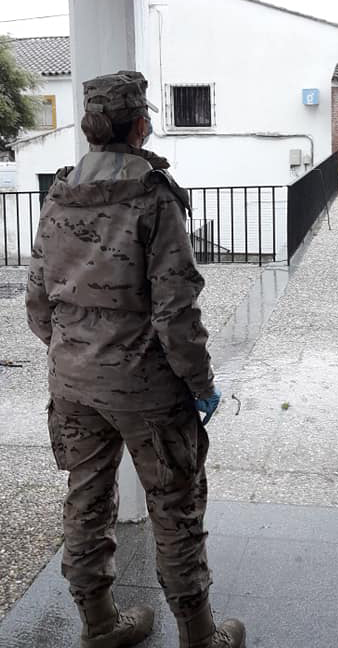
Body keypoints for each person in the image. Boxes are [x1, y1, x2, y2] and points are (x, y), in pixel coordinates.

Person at [25, 70, 245, 648]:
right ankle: (199, 636)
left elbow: (37, 298)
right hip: (147, 388)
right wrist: (200, 383)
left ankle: (99, 624)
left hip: (73, 381)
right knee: (174, 507)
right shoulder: (153, 196)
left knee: (86, 497)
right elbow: (175, 311)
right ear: (141, 124)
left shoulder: (60, 191)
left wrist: (74, 352)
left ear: (90, 127)